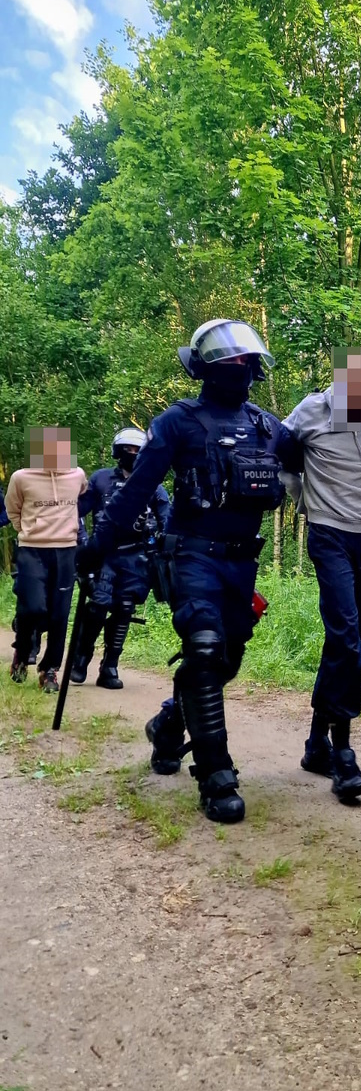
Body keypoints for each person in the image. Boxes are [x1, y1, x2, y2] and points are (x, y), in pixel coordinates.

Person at [78, 320, 304, 823]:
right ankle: (216, 775)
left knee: (226, 661)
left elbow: (319, 455)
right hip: (190, 556)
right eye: (228, 360)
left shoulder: (269, 427)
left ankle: (167, 725)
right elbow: (136, 491)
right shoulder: (177, 423)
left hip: (241, 563)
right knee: (203, 649)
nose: (238, 366)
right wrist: (96, 547)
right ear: (203, 367)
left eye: (245, 360)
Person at [283, 348, 361, 802]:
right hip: (328, 533)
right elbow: (284, 458)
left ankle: (316, 745)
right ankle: (343, 753)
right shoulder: (312, 411)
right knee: (347, 637)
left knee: (346, 641)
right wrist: (305, 501)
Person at [71, 428, 170, 689]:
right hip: (103, 553)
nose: (133, 454)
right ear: (119, 451)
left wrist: (164, 545)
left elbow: (167, 520)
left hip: (136, 557)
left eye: (138, 450)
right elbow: (76, 511)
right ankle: (81, 658)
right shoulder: (101, 479)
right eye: (128, 449)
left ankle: (110, 666)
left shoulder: (153, 485)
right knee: (98, 604)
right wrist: (82, 543)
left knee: (125, 608)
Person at [6, 427, 87, 692]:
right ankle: (21, 653)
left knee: (59, 614)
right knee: (32, 607)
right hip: (32, 549)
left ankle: (49, 670)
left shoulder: (77, 475)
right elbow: (13, 509)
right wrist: (27, 531)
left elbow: (82, 495)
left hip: (66, 551)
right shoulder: (21, 478)